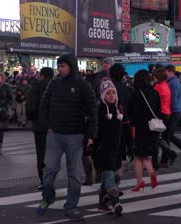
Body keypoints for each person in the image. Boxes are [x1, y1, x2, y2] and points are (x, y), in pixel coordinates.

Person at [37, 54, 97, 222]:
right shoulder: (54, 84)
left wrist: (91, 134)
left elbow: (93, 111)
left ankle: (71, 206)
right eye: (59, 66)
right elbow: (44, 104)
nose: (60, 68)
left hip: (75, 135)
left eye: (63, 65)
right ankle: (48, 197)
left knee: (75, 175)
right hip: (55, 134)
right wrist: (47, 125)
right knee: (49, 170)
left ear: (71, 66)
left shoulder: (82, 85)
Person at [93, 80, 125, 215]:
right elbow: (94, 129)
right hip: (102, 149)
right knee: (110, 175)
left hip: (116, 149)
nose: (111, 95)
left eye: (113, 93)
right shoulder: (99, 110)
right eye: (108, 93)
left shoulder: (119, 109)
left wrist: (127, 146)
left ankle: (103, 203)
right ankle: (115, 201)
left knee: (113, 176)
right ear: (102, 96)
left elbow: (124, 130)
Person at [129, 70, 161, 192]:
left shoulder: (136, 94)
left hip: (139, 128)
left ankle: (140, 181)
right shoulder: (154, 92)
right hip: (152, 127)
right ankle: (151, 173)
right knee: (145, 154)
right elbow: (158, 110)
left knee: (138, 155)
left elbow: (132, 113)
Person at [27, 67, 54, 189]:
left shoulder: (36, 87)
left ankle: (43, 180)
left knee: (41, 152)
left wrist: (32, 119)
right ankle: (51, 177)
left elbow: (30, 106)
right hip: (54, 126)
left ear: (41, 75)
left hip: (39, 125)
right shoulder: (56, 87)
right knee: (53, 153)